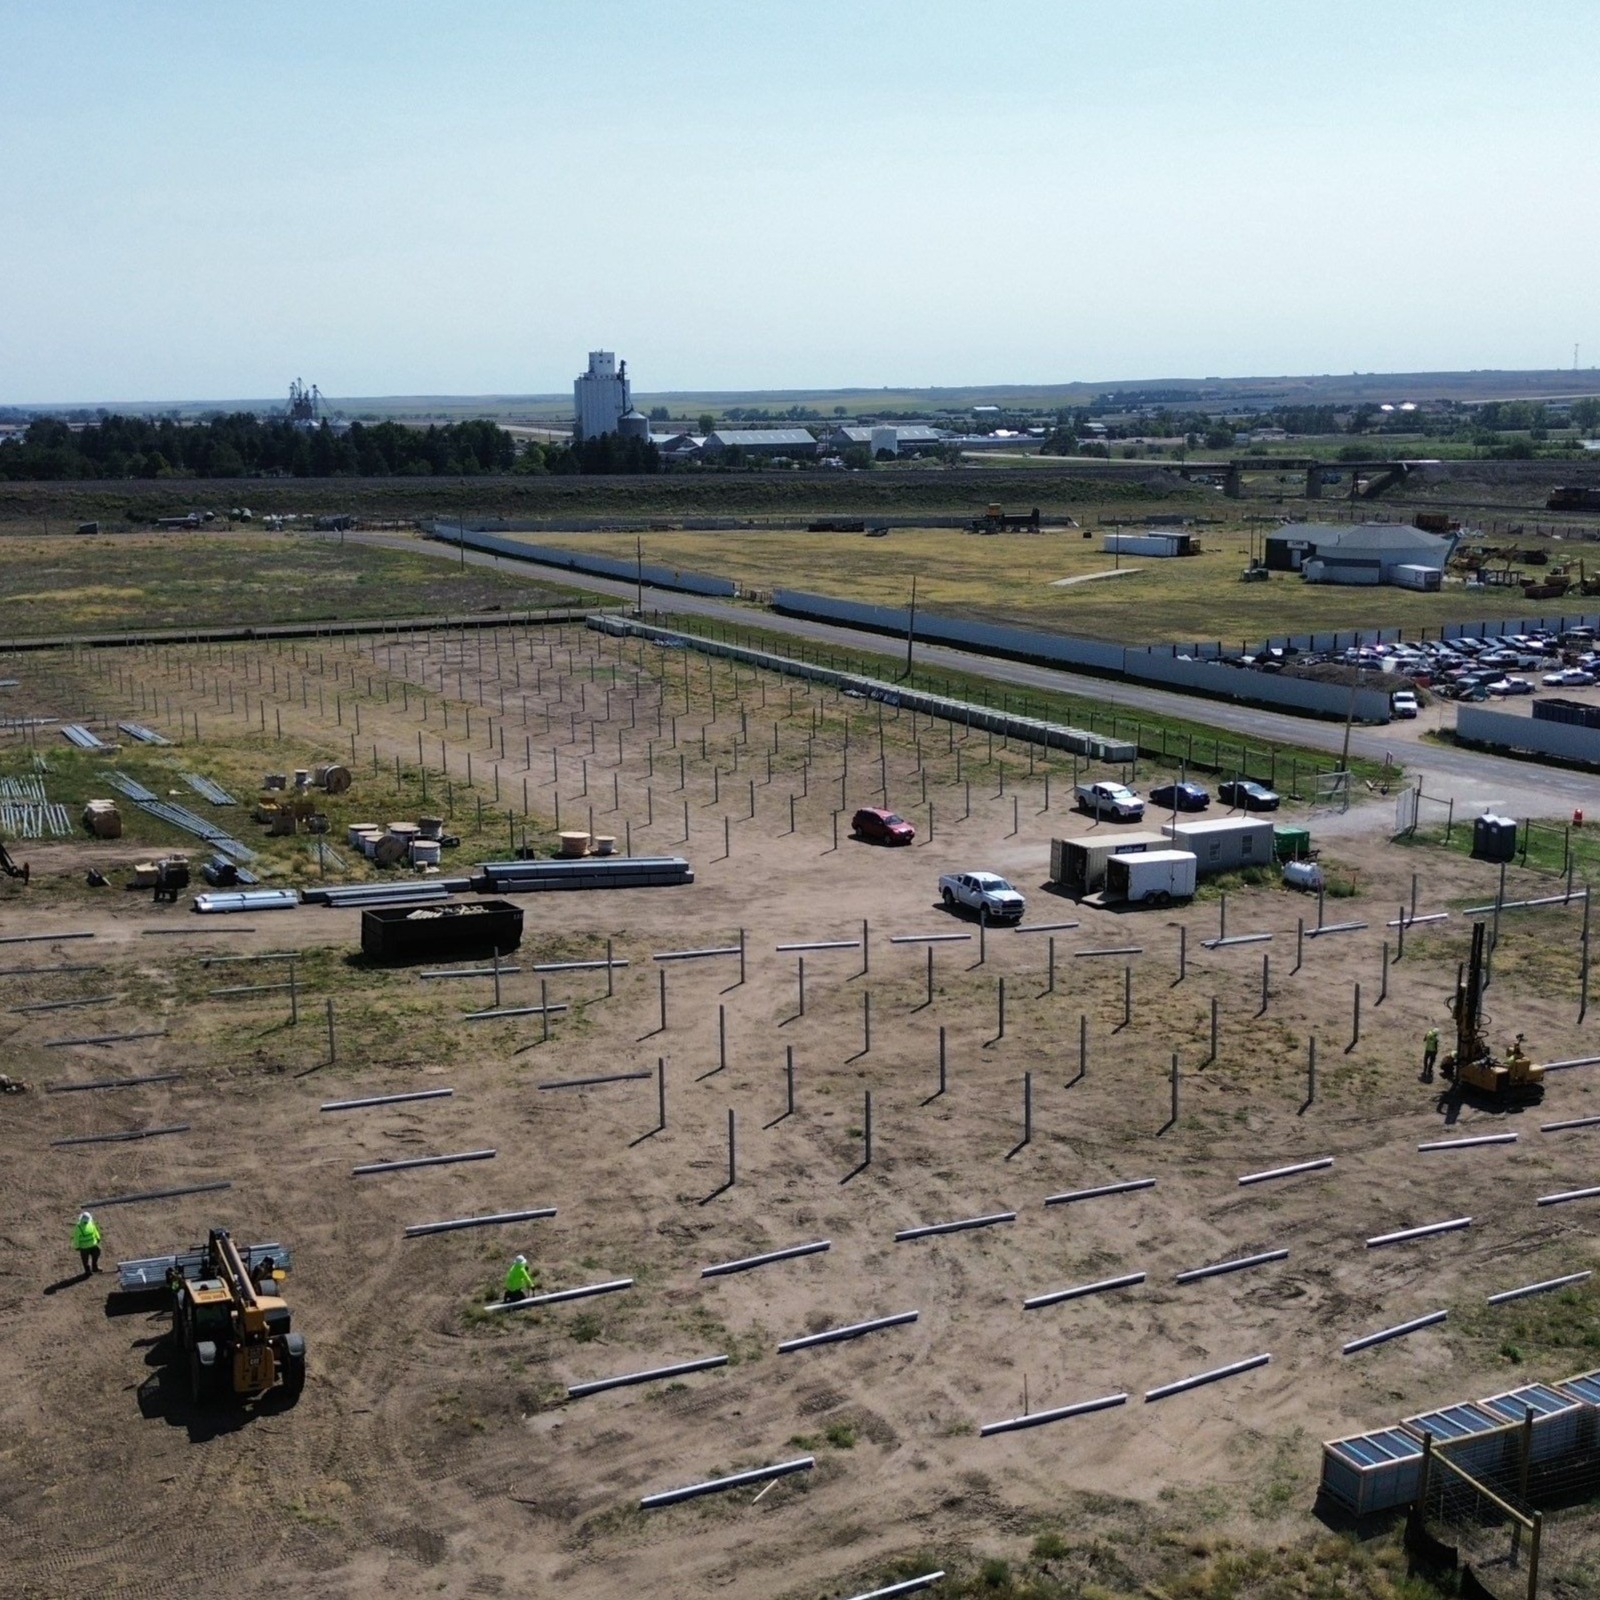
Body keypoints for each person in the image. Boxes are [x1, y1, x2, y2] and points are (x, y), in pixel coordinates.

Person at [73, 1211, 102, 1275]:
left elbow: (76, 1238)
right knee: (97, 1253)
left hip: (84, 1247)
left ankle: (88, 1271)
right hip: (93, 1244)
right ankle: (94, 1267)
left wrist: (76, 1246)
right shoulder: (91, 1223)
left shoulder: (78, 1227)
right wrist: (98, 1238)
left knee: (85, 1259)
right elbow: (95, 1231)